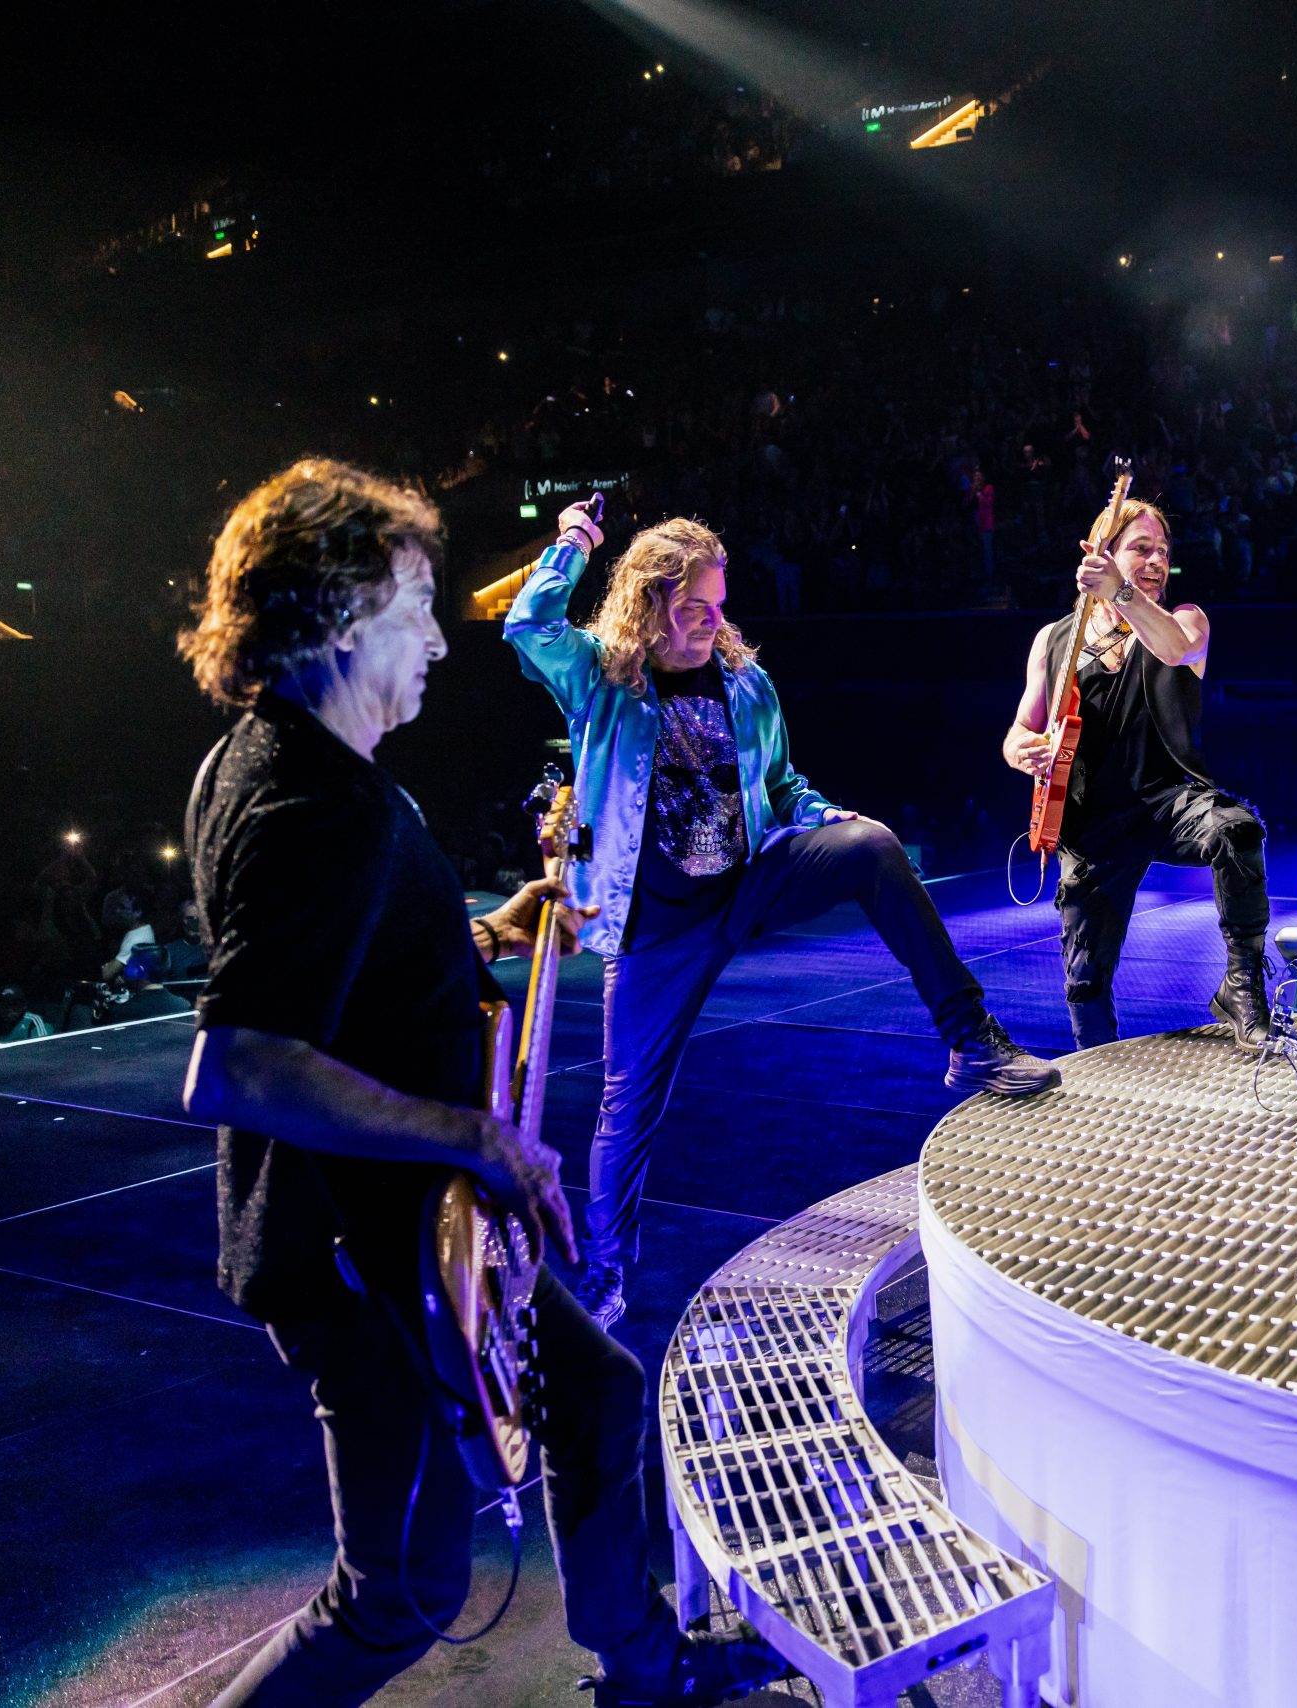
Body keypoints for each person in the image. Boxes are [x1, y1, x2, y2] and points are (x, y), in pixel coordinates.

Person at [176, 458, 776, 1707]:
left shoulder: (285, 761)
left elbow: (342, 959)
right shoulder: (309, 799)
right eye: (413, 609)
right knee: (393, 1598)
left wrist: (482, 933)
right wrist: (475, 1135)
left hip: (420, 1228)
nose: (439, 642)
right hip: (364, 1255)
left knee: (596, 1396)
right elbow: (238, 1063)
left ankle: (642, 1667)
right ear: (337, 616)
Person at [506, 503, 1057, 1331]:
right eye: (693, 606)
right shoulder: (601, 676)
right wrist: (573, 541)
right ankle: (608, 1269)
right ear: (651, 601)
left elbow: (782, 787)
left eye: (718, 605)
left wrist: (826, 817)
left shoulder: (745, 683)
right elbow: (526, 625)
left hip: (745, 887)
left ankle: (972, 1041)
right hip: (655, 930)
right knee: (627, 1107)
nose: (710, 620)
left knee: (871, 845)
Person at [1002, 499, 1272, 1051]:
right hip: (1093, 820)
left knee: (1237, 830)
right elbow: (1021, 728)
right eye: (1141, 549)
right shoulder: (1054, 640)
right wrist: (1021, 751)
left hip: (1170, 800)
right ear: (1103, 554)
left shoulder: (1185, 620)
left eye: (1163, 551)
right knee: (1084, 983)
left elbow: (1176, 649)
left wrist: (1121, 592)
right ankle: (1095, 1067)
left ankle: (1241, 986)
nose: (1156, 561)